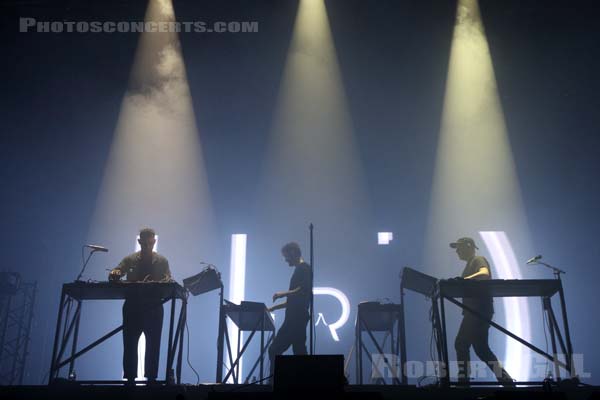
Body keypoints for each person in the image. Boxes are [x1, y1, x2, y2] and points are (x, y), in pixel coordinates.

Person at [109, 227, 172, 384]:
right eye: (144, 243)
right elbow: (116, 271)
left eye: (149, 242)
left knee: (153, 344)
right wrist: (115, 273)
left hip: (153, 308)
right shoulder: (129, 259)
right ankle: (131, 378)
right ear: (139, 242)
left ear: (154, 241)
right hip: (134, 307)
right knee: (130, 343)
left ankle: (150, 378)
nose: (147, 245)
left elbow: (168, 279)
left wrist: (164, 281)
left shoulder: (162, 261)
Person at [450, 237, 514, 387]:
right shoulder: (469, 264)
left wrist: (464, 281)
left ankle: (463, 381)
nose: (457, 251)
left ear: (468, 246)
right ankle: (506, 381)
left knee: (461, 343)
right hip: (477, 310)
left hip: (478, 309)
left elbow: (484, 274)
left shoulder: (478, 259)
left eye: (459, 247)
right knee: (481, 349)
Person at [267, 242, 312, 376]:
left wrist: (283, 293)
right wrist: (274, 308)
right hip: (296, 318)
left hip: (295, 319)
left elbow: (302, 290)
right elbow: (293, 301)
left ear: (293, 252)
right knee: (299, 351)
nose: (286, 260)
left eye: (286, 256)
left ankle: (274, 383)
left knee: (274, 350)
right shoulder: (300, 269)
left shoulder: (304, 268)